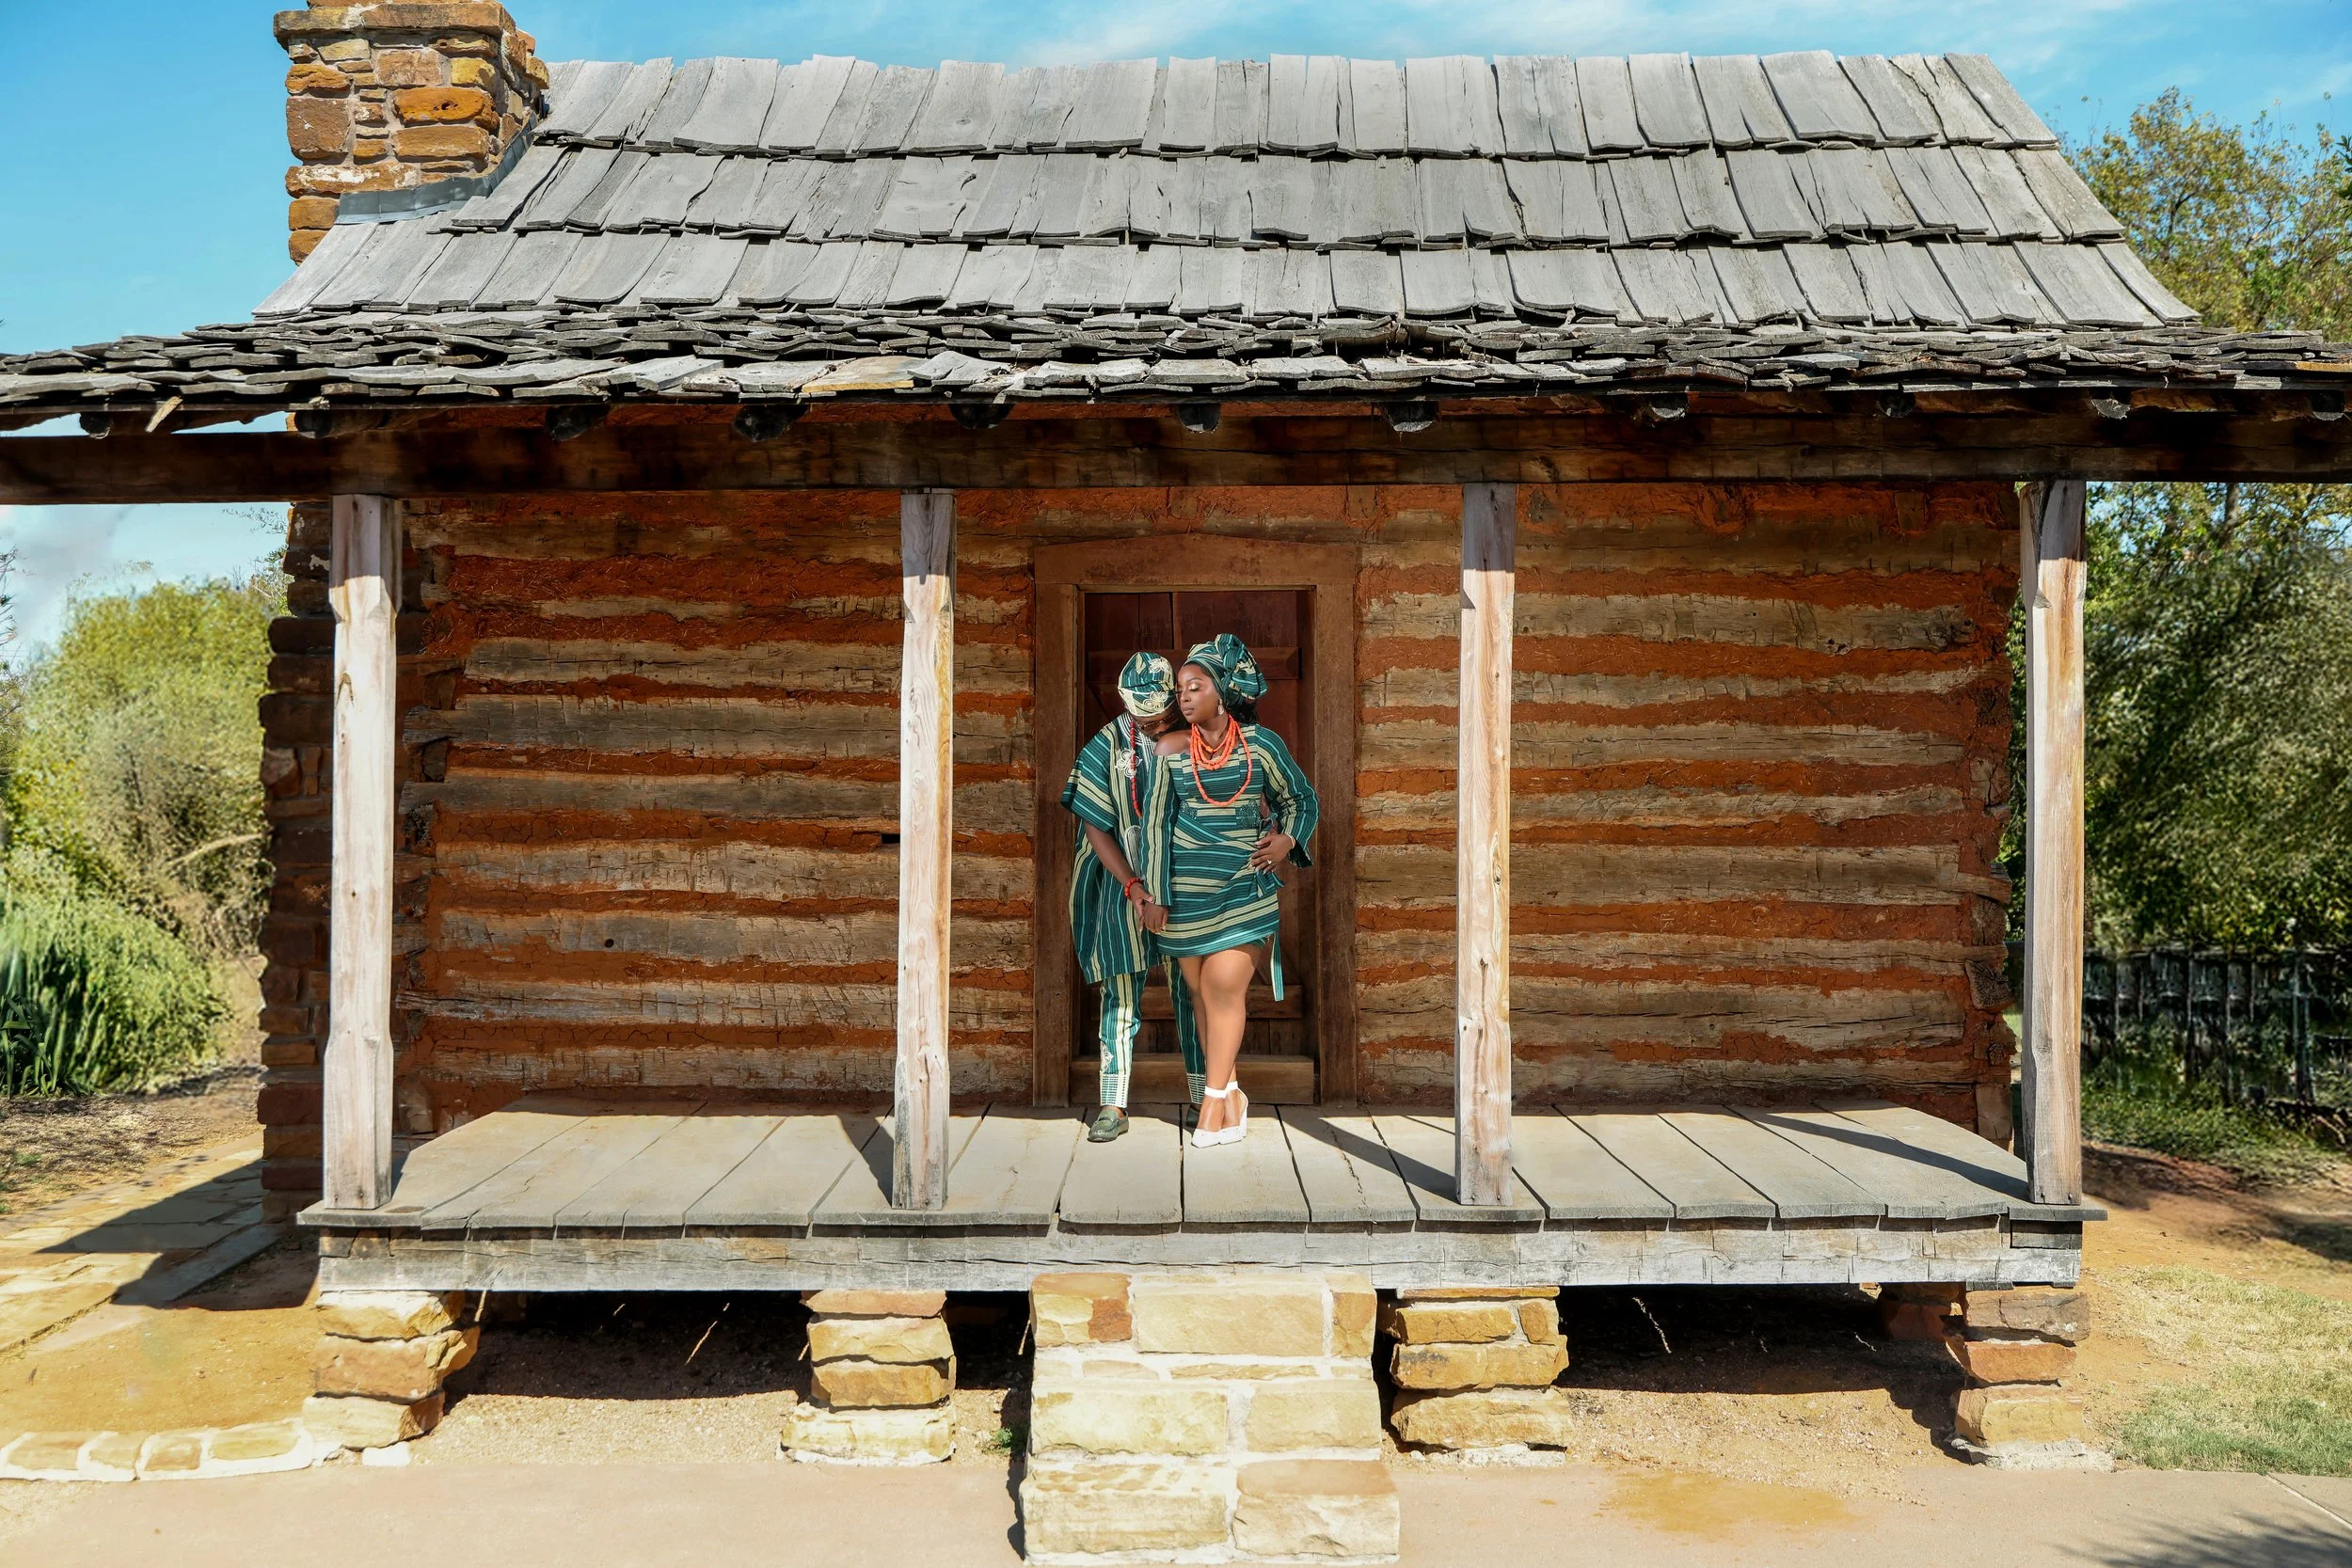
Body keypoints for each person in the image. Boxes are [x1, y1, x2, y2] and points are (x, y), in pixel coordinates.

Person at [1149, 635, 1319, 1148]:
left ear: (1220, 693)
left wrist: (1288, 839)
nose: (1183, 695)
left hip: (1245, 887)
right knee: (1201, 996)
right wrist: (1154, 895)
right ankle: (1236, 1095)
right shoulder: (1168, 750)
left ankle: (1212, 1105)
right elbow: (1156, 827)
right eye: (1180, 688)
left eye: (1194, 686)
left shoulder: (1262, 747)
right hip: (1185, 894)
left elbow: (1300, 798)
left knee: (1224, 988)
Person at [1058, 652, 1204, 1141]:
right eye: (1144, 717)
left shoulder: (1193, 739)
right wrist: (1135, 887)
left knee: (1192, 989)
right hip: (1120, 885)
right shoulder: (1106, 745)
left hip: (1181, 884)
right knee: (1120, 992)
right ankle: (1113, 1104)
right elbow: (1095, 827)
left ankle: (1205, 1097)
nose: (1153, 723)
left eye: (1161, 714)